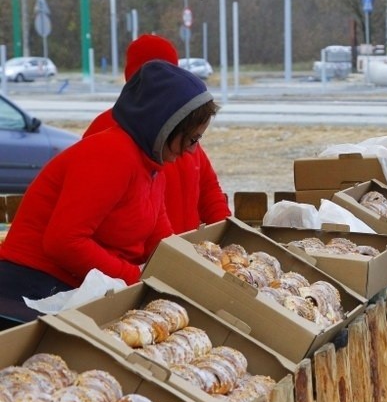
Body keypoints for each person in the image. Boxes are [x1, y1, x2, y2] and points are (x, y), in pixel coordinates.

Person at [0, 61, 219, 327]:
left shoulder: (151, 167)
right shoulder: (111, 155)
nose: (192, 151)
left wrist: (195, 272)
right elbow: (64, 241)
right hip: (30, 292)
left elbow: (159, 240)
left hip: (69, 289)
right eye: (192, 139)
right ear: (165, 125)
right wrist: (133, 276)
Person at [84, 34, 231, 233]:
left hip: (183, 251)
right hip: (143, 257)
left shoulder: (183, 127)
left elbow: (209, 190)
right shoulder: (107, 130)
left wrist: (226, 234)